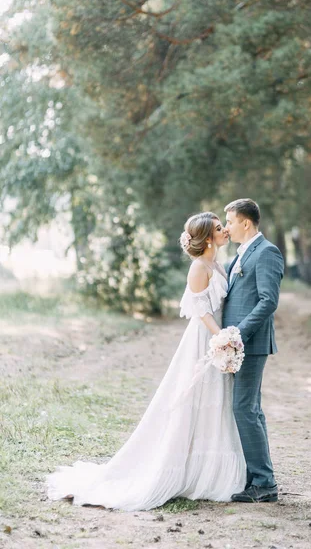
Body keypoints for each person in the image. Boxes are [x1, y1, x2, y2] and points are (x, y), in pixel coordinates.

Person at [46, 212, 246, 511]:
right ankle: (183, 470)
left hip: (216, 335)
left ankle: (210, 469)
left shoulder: (218, 263)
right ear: (207, 238)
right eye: (219, 228)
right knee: (194, 396)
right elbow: (199, 308)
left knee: (216, 399)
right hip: (205, 337)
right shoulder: (199, 267)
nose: (225, 231)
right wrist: (222, 338)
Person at [223, 198, 284, 503]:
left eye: (230, 221)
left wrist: (238, 333)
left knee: (244, 409)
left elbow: (268, 300)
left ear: (245, 223)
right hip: (235, 345)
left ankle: (264, 482)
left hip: (249, 343)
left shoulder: (267, 252)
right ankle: (258, 477)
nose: (227, 227)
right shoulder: (238, 256)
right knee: (250, 409)